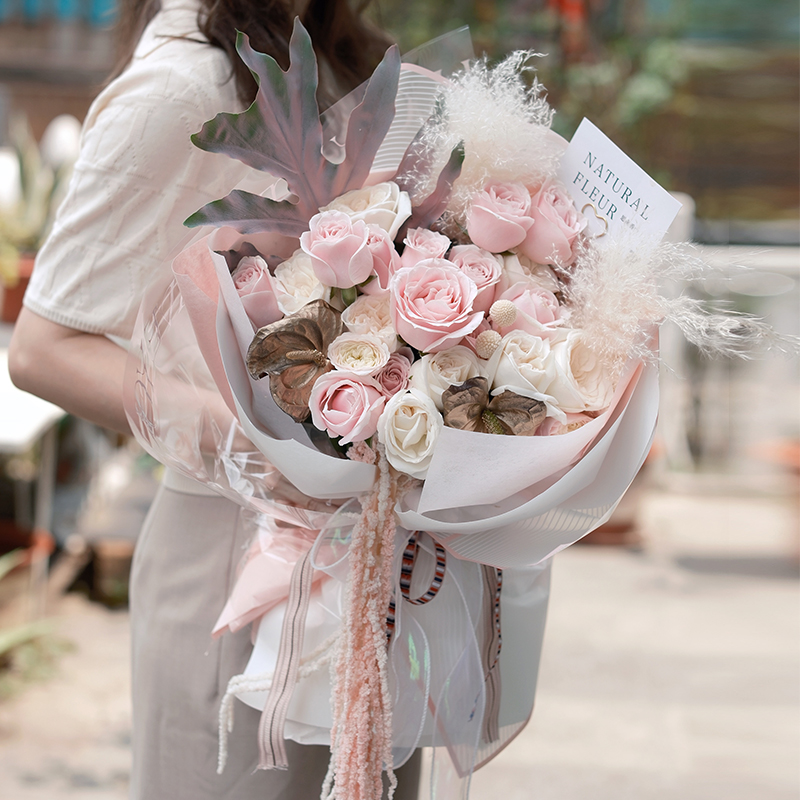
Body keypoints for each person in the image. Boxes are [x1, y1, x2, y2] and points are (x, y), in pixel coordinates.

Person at [8, 0, 421, 797]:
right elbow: (43, 347)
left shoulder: (336, 57)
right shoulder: (183, 85)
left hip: (366, 560)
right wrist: (262, 443)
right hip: (236, 551)